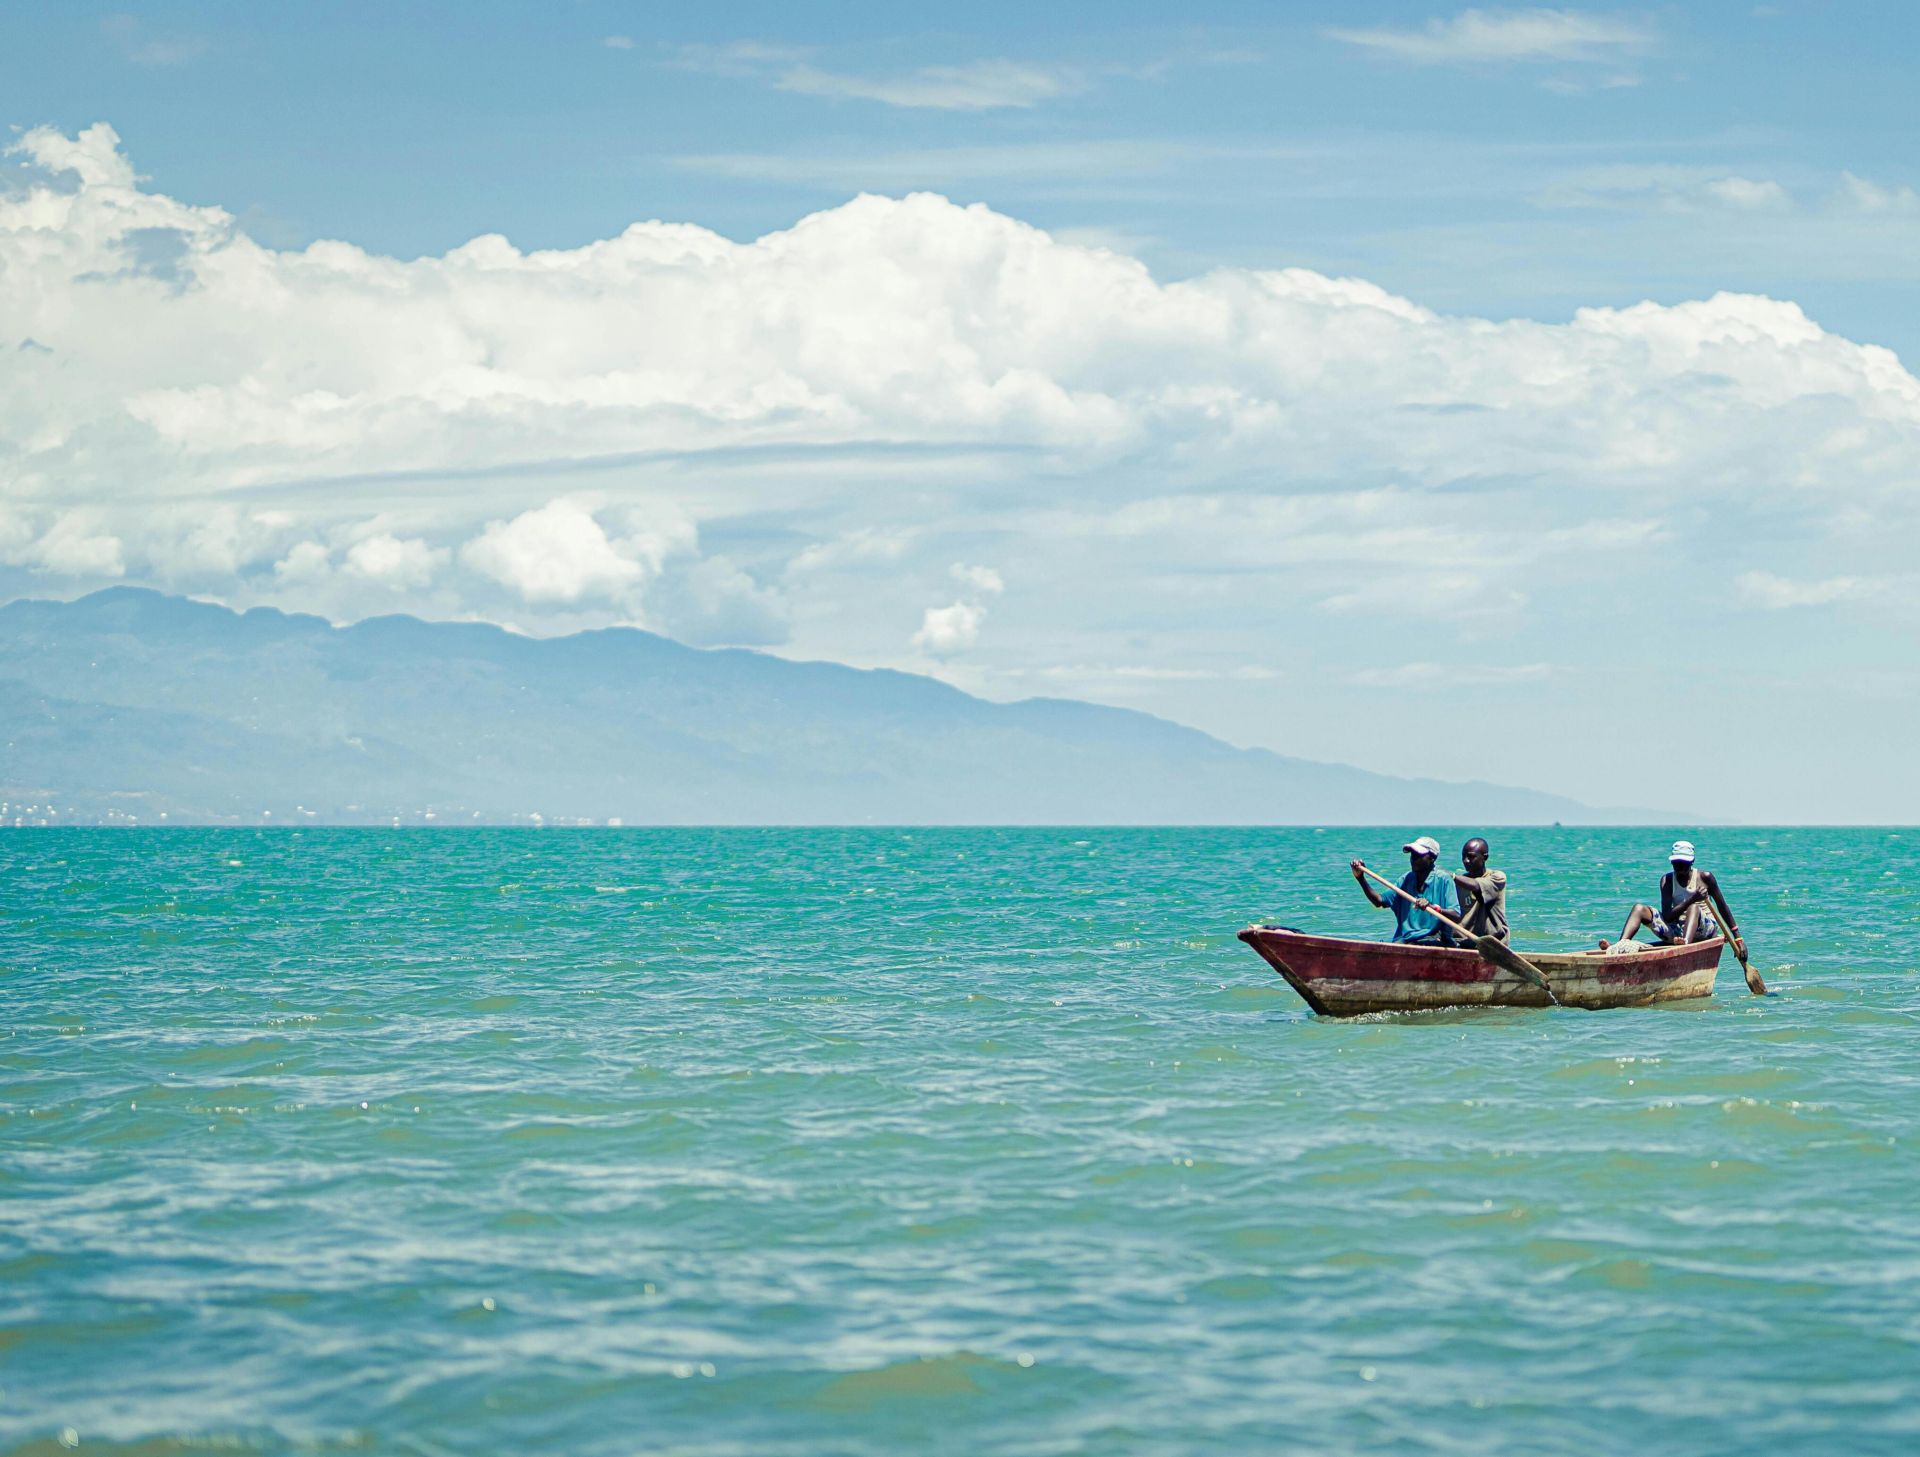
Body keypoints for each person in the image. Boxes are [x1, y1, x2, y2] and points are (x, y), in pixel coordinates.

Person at [1603, 840, 1746, 957]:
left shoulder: (1705, 877)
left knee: (1694, 907)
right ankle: (1620, 946)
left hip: (1704, 929)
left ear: (1692, 862)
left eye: (1684, 864)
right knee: (1639, 908)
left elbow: (1722, 907)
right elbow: (1668, 916)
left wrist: (1738, 938)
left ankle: (1685, 946)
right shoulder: (1667, 880)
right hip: (1677, 930)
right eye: (1677, 863)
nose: (1680, 868)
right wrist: (1692, 898)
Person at [1351, 835, 1460, 945]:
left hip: (1434, 939)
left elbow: (1456, 915)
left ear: (1432, 858)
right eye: (1412, 855)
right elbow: (1379, 901)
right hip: (1407, 940)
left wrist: (1434, 908)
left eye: (1418, 855)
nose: (1413, 859)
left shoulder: (1444, 880)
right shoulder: (1406, 879)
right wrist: (1361, 878)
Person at [1447, 837, 1508, 943]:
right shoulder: (1458, 882)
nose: (1466, 861)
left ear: (1485, 857)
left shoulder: (1497, 877)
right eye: (1463, 857)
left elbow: (1476, 885)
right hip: (1462, 940)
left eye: (1471, 857)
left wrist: (1452, 876)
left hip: (1491, 942)